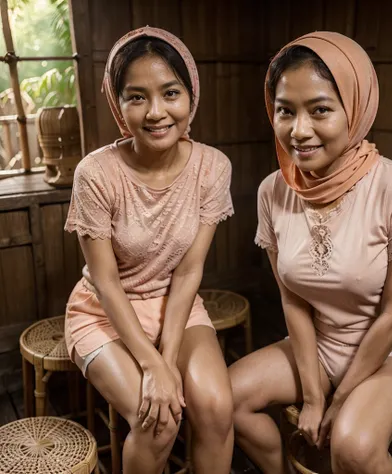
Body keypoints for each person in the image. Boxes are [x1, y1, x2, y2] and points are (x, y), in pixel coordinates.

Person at [230, 31, 392, 474]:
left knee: (353, 446)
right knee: (224, 400)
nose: (298, 130)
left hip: (390, 353)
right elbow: (293, 298)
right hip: (318, 346)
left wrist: (336, 401)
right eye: (285, 111)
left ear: (356, 109)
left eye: (320, 109)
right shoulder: (273, 191)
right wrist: (311, 393)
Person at [64, 26, 234, 474]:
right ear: (118, 106)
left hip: (175, 305)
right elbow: (105, 282)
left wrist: (169, 356)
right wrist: (151, 363)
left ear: (191, 95)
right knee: (157, 423)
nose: (157, 112)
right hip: (103, 311)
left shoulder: (212, 168)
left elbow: (188, 271)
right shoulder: (96, 174)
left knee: (216, 409)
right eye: (136, 97)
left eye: (170, 93)